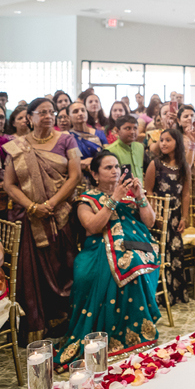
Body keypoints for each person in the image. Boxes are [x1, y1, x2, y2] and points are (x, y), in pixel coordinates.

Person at [54, 151, 160, 365]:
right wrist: (114, 199)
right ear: (95, 174)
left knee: (134, 261)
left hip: (135, 246)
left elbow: (149, 223)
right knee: (106, 269)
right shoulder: (86, 199)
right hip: (96, 250)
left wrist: (140, 197)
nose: (115, 171)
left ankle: (135, 331)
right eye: (108, 168)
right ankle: (103, 332)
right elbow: (92, 226)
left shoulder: (131, 194)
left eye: (117, 167)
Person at [2, 98, 82, 342]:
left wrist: (51, 204)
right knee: (32, 271)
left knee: (64, 264)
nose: (48, 116)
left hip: (60, 215)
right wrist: (33, 206)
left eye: (52, 112)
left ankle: (64, 318)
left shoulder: (66, 139)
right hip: (30, 218)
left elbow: (75, 175)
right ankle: (39, 322)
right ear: (30, 117)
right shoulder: (17, 146)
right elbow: (9, 184)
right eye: (42, 113)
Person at [144, 128, 190, 305]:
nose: (163, 143)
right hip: (159, 216)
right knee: (160, 253)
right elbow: (148, 191)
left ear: (177, 143)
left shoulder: (183, 166)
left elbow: (185, 194)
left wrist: (184, 217)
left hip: (176, 215)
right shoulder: (155, 164)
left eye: (168, 140)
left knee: (176, 252)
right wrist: (154, 214)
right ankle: (160, 296)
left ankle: (176, 293)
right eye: (161, 140)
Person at [68, 101, 107, 177]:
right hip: (76, 177)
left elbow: (107, 155)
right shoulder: (67, 137)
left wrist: (93, 161)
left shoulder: (99, 134)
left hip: (98, 176)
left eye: (83, 110)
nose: (80, 113)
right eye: (75, 111)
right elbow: (63, 161)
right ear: (69, 117)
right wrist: (81, 163)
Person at [105, 116, 145, 182]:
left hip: (139, 189)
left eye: (135, 128)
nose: (132, 132)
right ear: (117, 131)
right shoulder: (110, 151)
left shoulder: (140, 147)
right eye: (128, 128)